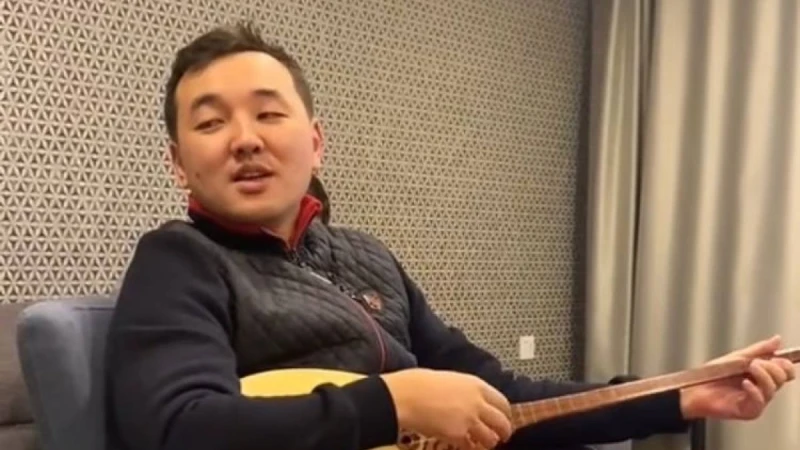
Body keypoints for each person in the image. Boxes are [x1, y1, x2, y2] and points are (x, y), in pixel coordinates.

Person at [105, 22, 796, 450]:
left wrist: (681, 396)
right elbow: (178, 429)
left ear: (315, 143)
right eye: (210, 122)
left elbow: (498, 395)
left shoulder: (368, 257)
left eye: (268, 113)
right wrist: (396, 402)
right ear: (178, 162)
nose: (245, 139)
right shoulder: (179, 261)